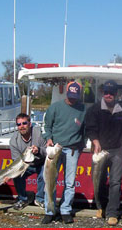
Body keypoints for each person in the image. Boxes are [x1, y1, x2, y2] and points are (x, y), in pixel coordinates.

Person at [85, 80, 122, 226]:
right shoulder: (94, 109)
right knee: (98, 180)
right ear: (102, 92)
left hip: (117, 149)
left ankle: (112, 212)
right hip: (100, 150)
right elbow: (90, 128)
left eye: (111, 92)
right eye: (106, 92)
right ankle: (101, 206)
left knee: (115, 182)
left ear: (116, 94)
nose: (108, 95)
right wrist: (95, 141)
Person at [41, 81, 86, 224]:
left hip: (73, 149)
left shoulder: (83, 109)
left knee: (70, 182)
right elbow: (47, 126)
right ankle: (50, 210)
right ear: (66, 93)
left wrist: (82, 144)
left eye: (75, 96)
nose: (72, 98)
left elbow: (85, 129)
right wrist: (48, 139)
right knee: (50, 180)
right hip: (55, 148)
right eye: (70, 95)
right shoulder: (55, 107)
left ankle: (66, 210)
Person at [7, 113, 47, 210]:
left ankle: (40, 199)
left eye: (24, 123)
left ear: (30, 124)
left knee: (44, 174)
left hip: (41, 162)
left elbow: (48, 151)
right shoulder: (14, 140)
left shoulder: (39, 134)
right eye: (19, 124)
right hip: (24, 164)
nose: (22, 126)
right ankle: (22, 199)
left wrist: (38, 151)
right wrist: (9, 175)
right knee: (17, 176)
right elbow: (16, 161)